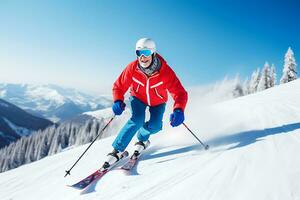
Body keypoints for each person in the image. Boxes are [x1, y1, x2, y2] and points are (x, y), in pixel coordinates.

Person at [102, 38, 188, 169]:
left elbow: (180, 93)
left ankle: (142, 138)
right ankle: (117, 151)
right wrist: (118, 100)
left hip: (158, 101)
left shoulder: (165, 72)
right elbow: (118, 86)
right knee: (137, 119)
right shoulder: (132, 68)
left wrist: (179, 110)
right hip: (138, 98)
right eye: (139, 53)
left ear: (153, 53)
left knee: (156, 126)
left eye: (146, 52)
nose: (142, 57)